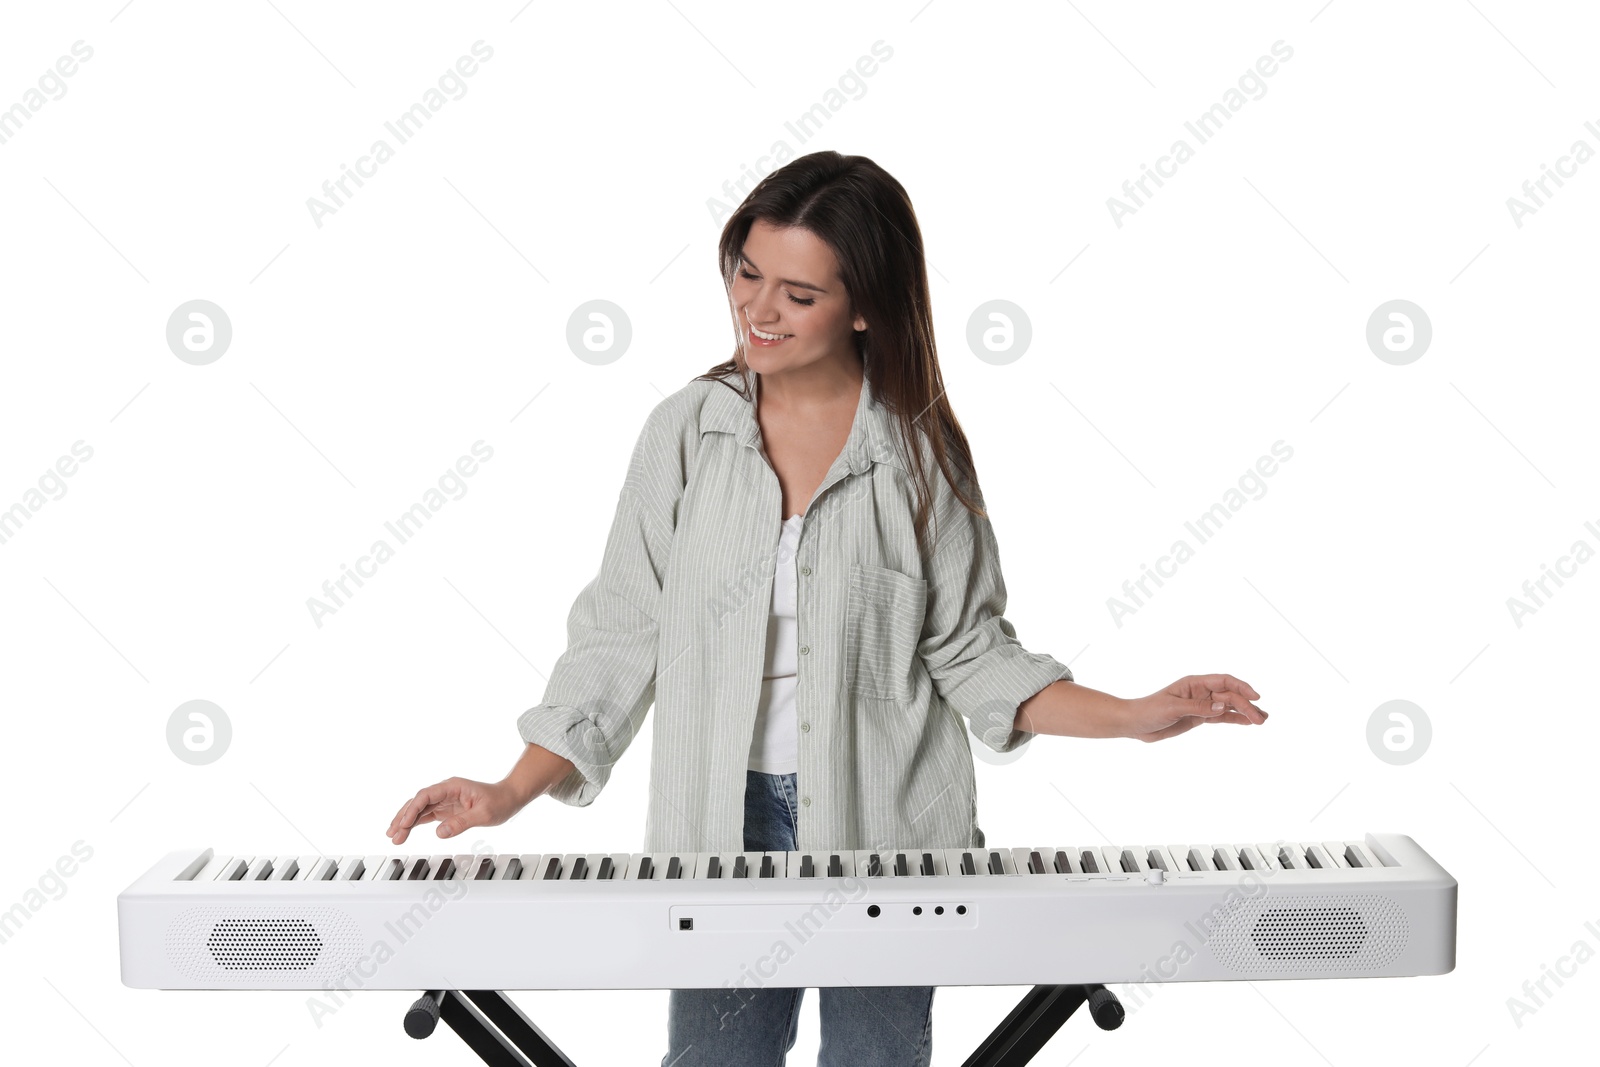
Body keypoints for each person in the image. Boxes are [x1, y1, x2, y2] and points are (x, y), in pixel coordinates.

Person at [387, 150, 1267, 1067]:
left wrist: (1135, 716)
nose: (758, 310)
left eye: (798, 295)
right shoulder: (686, 433)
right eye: (747, 273)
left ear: (863, 305)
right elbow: (620, 636)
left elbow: (972, 653)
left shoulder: (922, 459)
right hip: (717, 826)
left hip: (892, 826)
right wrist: (507, 790)